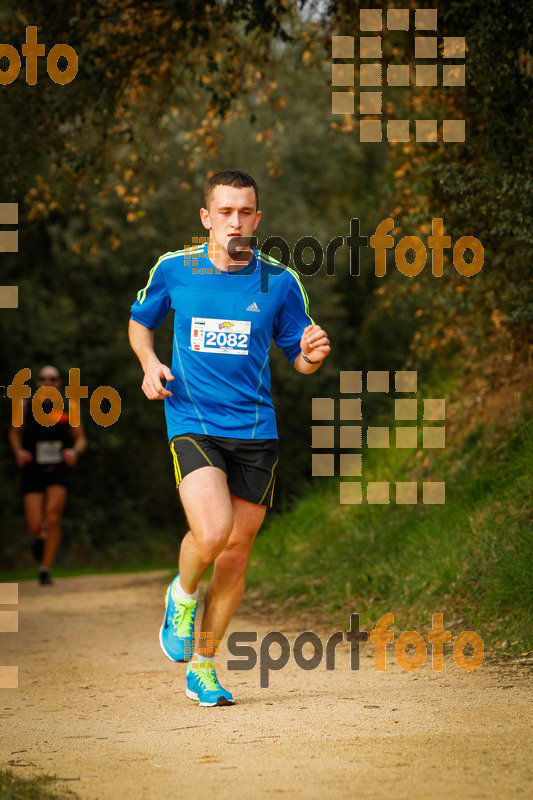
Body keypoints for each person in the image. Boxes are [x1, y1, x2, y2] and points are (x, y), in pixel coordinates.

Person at [128, 170, 330, 706]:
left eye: (245, 213)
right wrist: (149, 363)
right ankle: (183, 592)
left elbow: (299, 357)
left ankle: (204, 665)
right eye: (225, 212)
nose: (235, 222)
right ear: (206, 218)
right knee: (213, 532)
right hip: (192, 419)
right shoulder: (175, 268)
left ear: (257, 219)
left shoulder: (280, 282)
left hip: (256, 429)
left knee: (236, 555)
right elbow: (139, 321)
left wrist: (312, 353)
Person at [8, 365, 88, 585]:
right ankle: (40, 539)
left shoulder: (68, 408)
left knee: (52, 517)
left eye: (52, 379)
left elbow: (81, 439)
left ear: (59, 383)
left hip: (58, 469)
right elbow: (14, 433)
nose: (48, 383)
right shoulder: (25, 406)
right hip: (33, 470)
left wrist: (74, 451)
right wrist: (19, 452)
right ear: (38, 383)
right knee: (35, 524)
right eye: (43, 379)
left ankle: (45, 568)